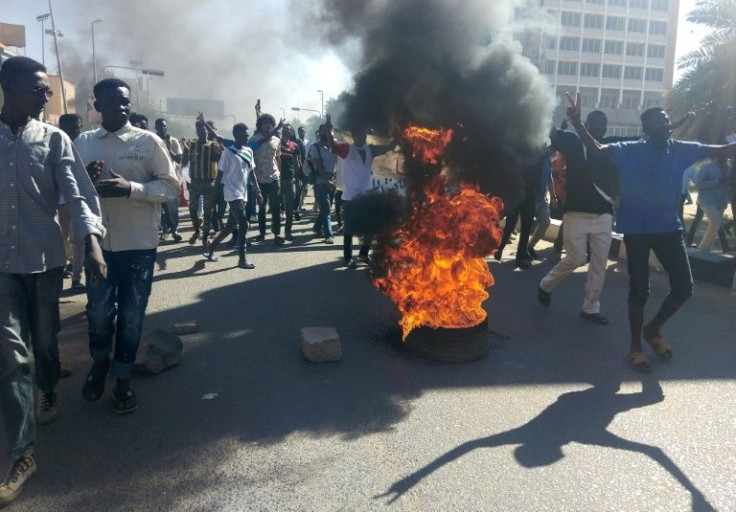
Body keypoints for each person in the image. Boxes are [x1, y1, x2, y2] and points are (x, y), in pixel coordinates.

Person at [0, 56, 106, 505]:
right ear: (8, 86)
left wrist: (93, 242)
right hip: (2, 265)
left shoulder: (55, 139)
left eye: (47, 90)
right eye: (38, 89)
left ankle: (47, 387)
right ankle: (23, 453)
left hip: (44, 260)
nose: (46, 96)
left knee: (44, 343)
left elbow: (78, 194)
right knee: (12, 353)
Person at [565, 93, 736, 371]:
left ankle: (653, 329)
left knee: (683, 287)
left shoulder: (682, 149)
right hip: (637, 231)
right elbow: (596, 149)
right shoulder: (630, 149)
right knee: (639, 290)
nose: (665, 125)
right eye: (658, 122)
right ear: (646, 129)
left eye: (667, 121)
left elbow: (722, 151)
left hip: (669, 229)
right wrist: (576, 122)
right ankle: (635, 347)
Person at [75, 78, 179, 413]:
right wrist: (87, 182)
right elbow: (70, 191)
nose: (122, 107)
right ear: (97, 105)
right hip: (99, 246)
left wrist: (131, 188)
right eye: (113, 102)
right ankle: (100, 363)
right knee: (99, 314)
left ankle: (122, 381)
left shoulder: (148, 142)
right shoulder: (83, 142)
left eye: (125, 102)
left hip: (139, 246)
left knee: (132, 317)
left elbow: (170, 188)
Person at [537, 111, 617, 325]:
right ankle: (545, 285)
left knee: (599, 264)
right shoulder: (573, 141)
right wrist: (536, 107)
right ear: (586, 124)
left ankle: (590, 308)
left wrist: (679, 123)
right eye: (595, 123)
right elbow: (549, 131)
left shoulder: (612, 146)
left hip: (603, 216)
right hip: (575, 214)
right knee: (576, 258)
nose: (600, 127)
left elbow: (647, 140)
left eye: (603, 123)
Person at [326, 119, 392, 266]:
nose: (362, 136)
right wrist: (329, 131)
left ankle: (363, 253)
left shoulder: (369, 149)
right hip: (350, 196)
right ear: (354, 136)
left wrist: (399, 134)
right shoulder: (347, 149)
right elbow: (333, 147)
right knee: (349, 229)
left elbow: (387, 147)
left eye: (363, 134)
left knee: (373, 226)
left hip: (367, 196)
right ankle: (348, 258)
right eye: (358, 134)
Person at [205, 123, 262, 268]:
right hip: (231, 193)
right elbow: (219, 176)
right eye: (245, 134)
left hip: (243, 193)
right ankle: (242, 259)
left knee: (230, 226)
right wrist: (213, 197)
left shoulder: (248, 151)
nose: (247, 137)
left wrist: (258, 191)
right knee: (243, 223)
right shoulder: (228, 153)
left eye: (248, 134)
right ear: (236, 135)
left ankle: (212, 247)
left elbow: (252, 173)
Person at [57, 113, 87, 291]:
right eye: (70, 128)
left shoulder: (86, 144)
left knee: (78, 240)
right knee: (62, 238)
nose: (75, 131)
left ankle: (77, 278)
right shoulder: (55, 144)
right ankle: (67, 264)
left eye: (77, 127)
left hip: (80, 200)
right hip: (59, 201)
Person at [249, 114, 284, 244]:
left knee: (275, 207)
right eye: (265, 123)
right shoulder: (253, 140)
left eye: (270, 123)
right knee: (262, 208)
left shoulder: (276, 140)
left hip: (274, 178)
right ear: (260, 125)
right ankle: (262, 234)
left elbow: (278, 157)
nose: (268, 125)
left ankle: (277, 234)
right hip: (259, 180)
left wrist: (279, 172)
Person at [187, 119, 222, 246]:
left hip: (209, 182)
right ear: (196, 131)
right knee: (192, 209)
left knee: (208, 211)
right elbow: (185, 162)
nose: (202, 132)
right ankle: (197, 231)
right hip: (195, 182)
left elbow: (221, 160)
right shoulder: (192, 145)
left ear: (207, 130)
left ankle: (205, 237)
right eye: (199, 130)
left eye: (203, 129)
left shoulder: (214, 146)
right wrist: (185, 151)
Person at [693, 156, 733, 252]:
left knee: (713, 227)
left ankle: (705, 250)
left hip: (721, 201)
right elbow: (698, 184)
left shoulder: (730, 168)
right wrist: (717, 181)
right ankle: (703, 247)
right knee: (716, 224)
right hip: (708, 200)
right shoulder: (707, 167)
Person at [154, 118, 184, 242]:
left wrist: (168, 149)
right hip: (156, 177)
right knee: (160, 208)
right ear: (156, 128)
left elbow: (179, 160)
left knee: (172, 207)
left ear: (167, 127)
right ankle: (165, 230)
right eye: (160, 126)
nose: (163, 128)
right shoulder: (152, 140)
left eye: (164, 126)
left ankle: (174, 230)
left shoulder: (173, 141)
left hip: (171, 178)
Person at [310, 122, 339, 244]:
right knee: (326, 208)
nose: (327, 132)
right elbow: (319, 166)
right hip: (321, 180)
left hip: (333, 179)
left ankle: (317, 227)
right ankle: (328, 235)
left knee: (326, 207)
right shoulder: (315, 147)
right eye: (324, 130)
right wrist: (327, 181)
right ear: (320, 132)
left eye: (329, 130)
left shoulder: (334, 146)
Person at [527, 149, 558, 257]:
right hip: (530, 198)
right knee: (526, 225)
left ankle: (529, 246)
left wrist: (553, 197)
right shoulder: (533, 158)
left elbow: (550, 180)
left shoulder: (548, 161)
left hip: (542, 199)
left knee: (545, 222)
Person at [278, 124, 301, 241]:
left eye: (289, 129)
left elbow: (297, 163)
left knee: (290, 207)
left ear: (292, 132)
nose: (287, 130)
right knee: (275, 206)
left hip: (290, 179)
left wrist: (298, 178)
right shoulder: (277, 143)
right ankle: (277, 233)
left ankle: (288, 231)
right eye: (285, 129)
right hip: (277, 179)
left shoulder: (294, 146)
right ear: (282, 131)